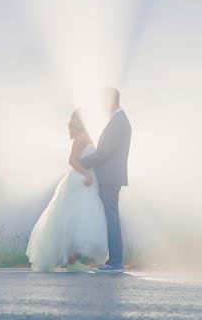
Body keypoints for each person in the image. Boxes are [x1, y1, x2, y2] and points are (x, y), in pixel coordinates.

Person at [25, 109, 108, 272]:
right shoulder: (81, 137)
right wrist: (86, 175)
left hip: (87, 179)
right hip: (81, 180)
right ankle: (71, 259)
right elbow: (72, 160)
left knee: (80, 218)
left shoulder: (86, 135)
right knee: (76, 218)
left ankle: (72, 258)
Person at [80, 87, 132, 274]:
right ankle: (113, 260)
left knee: (112, 219)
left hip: (110, 178)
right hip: (111, 177)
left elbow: (104, 153)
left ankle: (116, 262)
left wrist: (81, 163)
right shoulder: (119, 121)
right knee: (111, 218)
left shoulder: (118, 122)